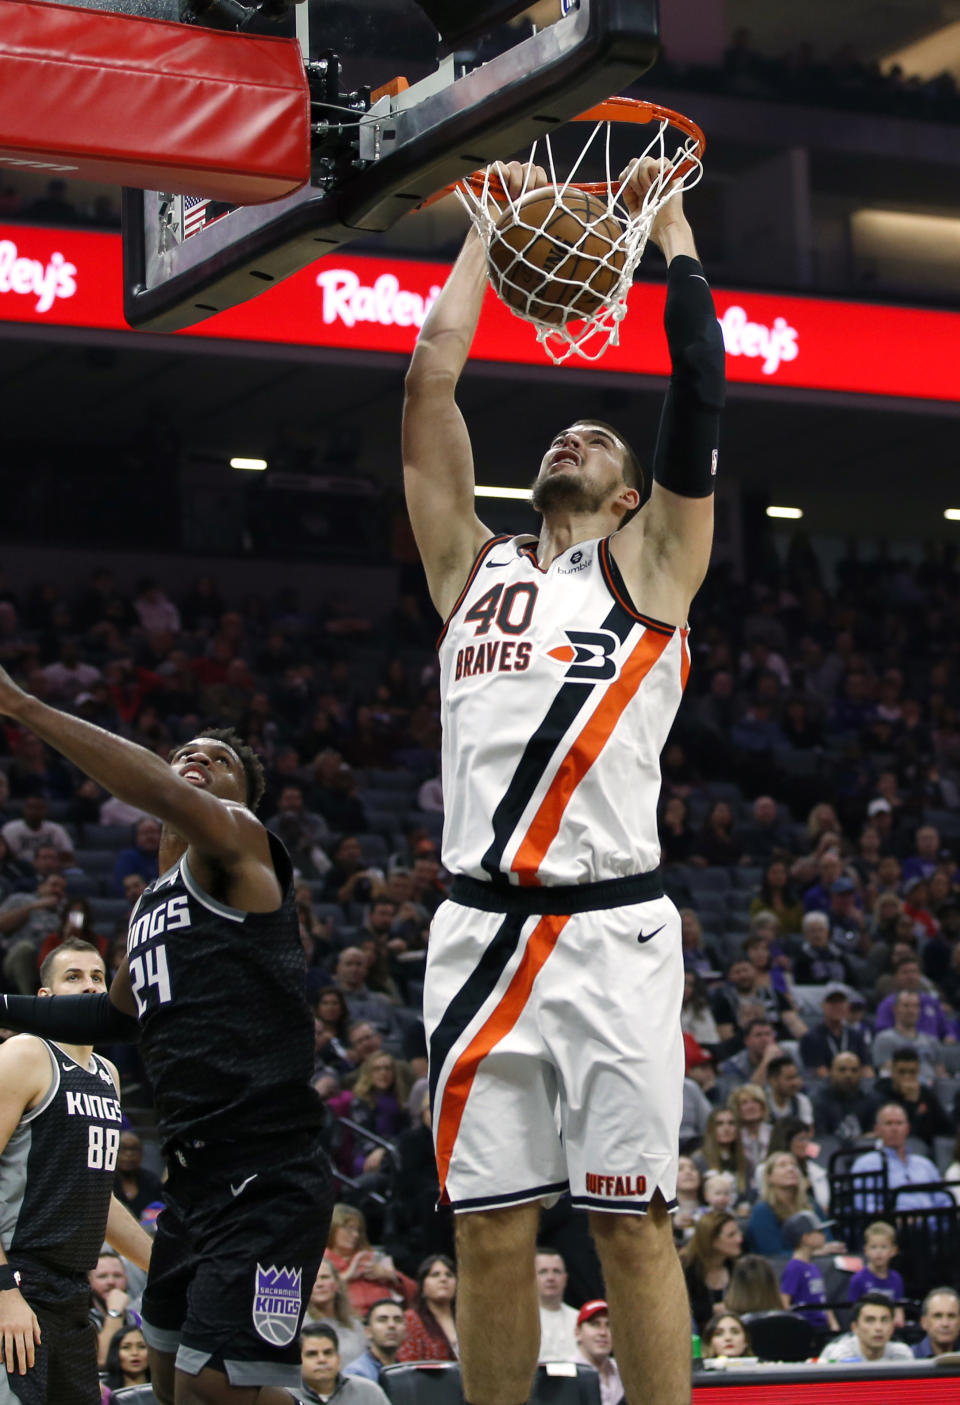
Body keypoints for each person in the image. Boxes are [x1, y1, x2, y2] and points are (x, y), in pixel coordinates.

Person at [403, 147, 725, 1405]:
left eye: (597, 435)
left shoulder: (652, 568)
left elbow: (695, 385)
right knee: (487, 1232)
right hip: (478, 933)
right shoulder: (466, 570)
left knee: (632, 1227)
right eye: (561, 429)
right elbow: (430, 389)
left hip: (612, 935)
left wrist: (673, 228)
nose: (572, 433)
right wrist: (490, 231)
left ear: (636, 492)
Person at [0, 688, 332, 1404]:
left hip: (265, 1170)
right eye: (188, 755)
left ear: (239, 798)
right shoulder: (153, 904)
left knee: (215, 1384)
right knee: (165, 1374)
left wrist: (20, 705)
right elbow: (114, 1013)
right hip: (192, 1181)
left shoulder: (239, 840)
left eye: (218, 761)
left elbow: (157, 783)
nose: (196, 762)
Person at [0, 937, 152, 1405]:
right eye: (73, 977)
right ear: (43, 1001)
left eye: (98, 978)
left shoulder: (108, 1073)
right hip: (18, 1280)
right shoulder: (26, 1053)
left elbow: (94, 1194)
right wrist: (4, 1292)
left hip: (70, 1291)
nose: (89, 987)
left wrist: (164, 1267)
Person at [851, 1103, 953, 1212]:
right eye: (888, 1123)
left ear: (907, 1128)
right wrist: (893, 1219)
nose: (894, 1128)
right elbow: (865, 1204)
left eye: (899, 1123)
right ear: (877, 1130)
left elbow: (944, 1200)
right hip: (891, 1224)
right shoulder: (866, 1164)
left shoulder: (925, 1164)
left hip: (930, 1224)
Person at [325, 1206, 415, 1320]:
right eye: (349, 1228)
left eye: (358, 1230)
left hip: (385, 1322)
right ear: (332, 1228)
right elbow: (313, 1295)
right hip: (345, 1323)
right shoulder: (321, 1262)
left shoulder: (373, 1258)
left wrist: (391, 1276)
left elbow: (416, 1293)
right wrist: (346, 1276)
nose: (356, 1235)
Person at [297, 1323, 390, 1405]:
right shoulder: (287, 1398)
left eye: (328, 1352)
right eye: (312, 1354)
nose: (322, 1359)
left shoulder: (369, 1392)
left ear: (338, 1359)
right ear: (298, 1361)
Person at [680, 1212, 743, 1333]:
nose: (740, 1239)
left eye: (738, 1232)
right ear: (711, 1240)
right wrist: (712, 1310)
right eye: (731, 1235)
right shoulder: (686, 1269)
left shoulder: (739, 1268)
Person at [778, 1212, 837, 1334]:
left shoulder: (813, 1266)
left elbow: (822, 1300)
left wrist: (833, 1323)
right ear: (805, 1238)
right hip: (805, 1329)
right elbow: (784, 1302)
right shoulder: (794, 1267)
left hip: (821, 1327)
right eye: (819, 1232)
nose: (823, 1236)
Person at [744, 1152, 812, 1255]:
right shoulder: (762, 1210)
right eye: (782, 1165)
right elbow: (772, 1253)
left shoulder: (810, 1204)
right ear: (769, 1177)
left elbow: (827, 1236)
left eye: (794, 1165)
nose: (790, 1169)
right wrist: (811, 1253)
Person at [818, 1292, 914, 1364]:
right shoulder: (839, 1354)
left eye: (884, 1320)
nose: (879, 1328)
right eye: (870, 1320)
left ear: (893, 1326)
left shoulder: (902, 1354)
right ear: (854, 1327)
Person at [303, 1260, 367, 1367]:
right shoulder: (299, 1326)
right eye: (313, 1279)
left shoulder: (355, 1325)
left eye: (325, 1277)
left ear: (337, 1283)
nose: (320, 1284)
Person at [799, 986, 873, 1077]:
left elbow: (866, 1068)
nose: (837, 1006)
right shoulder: (811, 1038)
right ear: (823, 1006)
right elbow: (819, 1072)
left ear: (848, 1007)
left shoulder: (856, 1036)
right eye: (832, 1002)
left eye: (841, 1002)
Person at [396, 1255, 457, 1362]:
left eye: (449, 1275)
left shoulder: (467, 1320)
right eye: (435, 1275)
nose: (443, 1279)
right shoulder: (411, 1319)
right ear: (422, 1286)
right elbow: (409, 1364)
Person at [811, 1052, 879, 1142]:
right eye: (842, 1070)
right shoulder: (818, 1101)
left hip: (865, 1151)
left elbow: (875, 1133)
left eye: (854, 1070)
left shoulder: (870, 1099)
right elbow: (819, 1138)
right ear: (831, 1071)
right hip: (829, 1152)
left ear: (861, 1073)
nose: (848, 1075)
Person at [846, 1222, 904, 1325]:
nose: (878, 1252)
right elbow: (853, 1312)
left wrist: (899, 1320)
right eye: (873, 1247)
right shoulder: (858, 1279)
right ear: (865, 1250)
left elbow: (898, 1309)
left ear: (893, 1250)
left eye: (883, 1247)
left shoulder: (896, 1278)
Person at [572, 1300, 624, 1405]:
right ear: (577, 1333)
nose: (603, 1332)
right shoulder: (568, 1375)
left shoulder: (623, 1372)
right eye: (595, 1324)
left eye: (609, 1325)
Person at [343, 1299, 406, 1383]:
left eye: (398, 1320)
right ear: (368, 1331)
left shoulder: (406, 1371)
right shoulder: (356, 1374)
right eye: (382, 1320)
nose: (392, 1325)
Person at [535, 1248, 578, 1363]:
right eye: (543, 1272)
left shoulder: (579, 1319)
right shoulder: (521, 1321)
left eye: (556, 1271)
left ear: (565, 1278)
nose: (550, 1278)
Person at [103, 1323, 151, 1394]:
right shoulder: (104, 1393)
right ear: (115, 1353)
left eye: (142, 1347)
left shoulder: (164, 1391)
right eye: (126, 1347)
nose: (135, 1353)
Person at [913, 1286, 960, 1358]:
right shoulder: (909, 1357)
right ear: (924, 1322)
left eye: (951, 1316)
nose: (945, 1324)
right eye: (938, 1316)